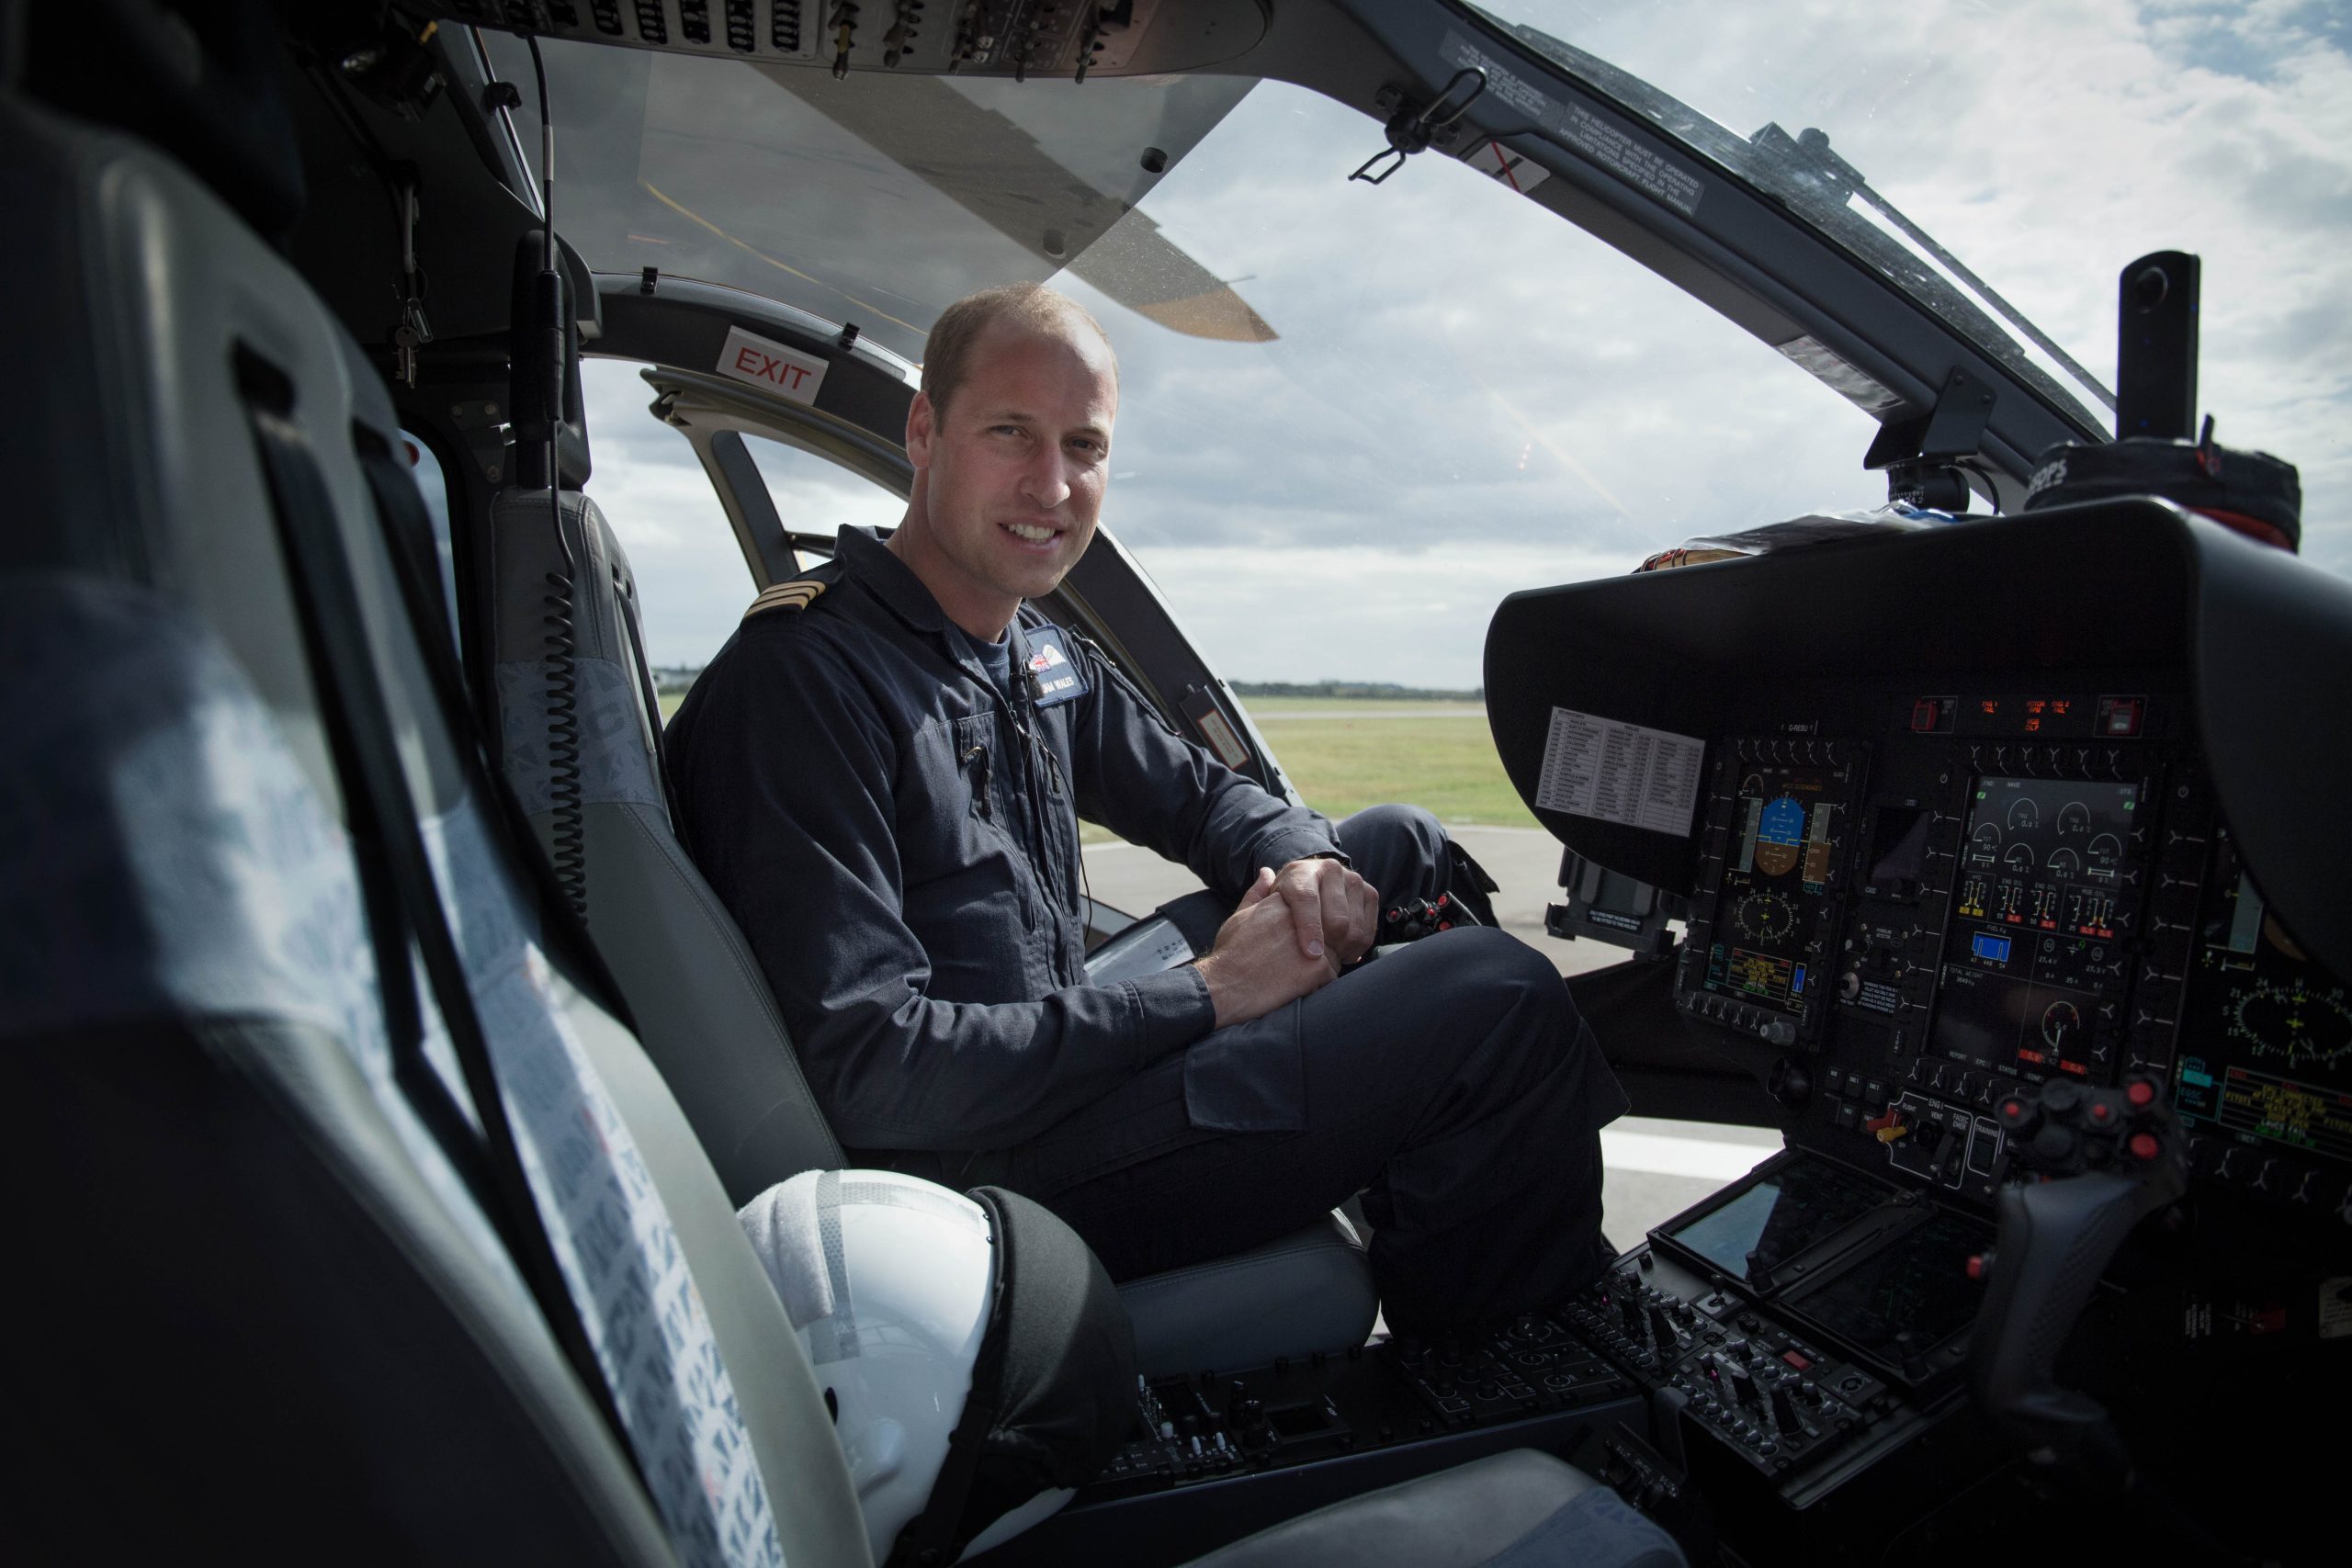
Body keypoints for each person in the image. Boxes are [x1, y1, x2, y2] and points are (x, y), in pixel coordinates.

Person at [666, 284, 1625, 1334]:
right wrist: (1211, 995)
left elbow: (1208, 798)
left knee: (1394, 844)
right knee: (1495, 990)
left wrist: (1304, 867)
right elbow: (874, 1071)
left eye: (1084, 446)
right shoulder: (809, 681)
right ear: (924, 431)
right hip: (978, 1179)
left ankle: (1460, 1201)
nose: (1053, 484)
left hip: (1057, 1074)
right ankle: (1514, 1363)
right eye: (1010, 434)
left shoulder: (1030, 651)